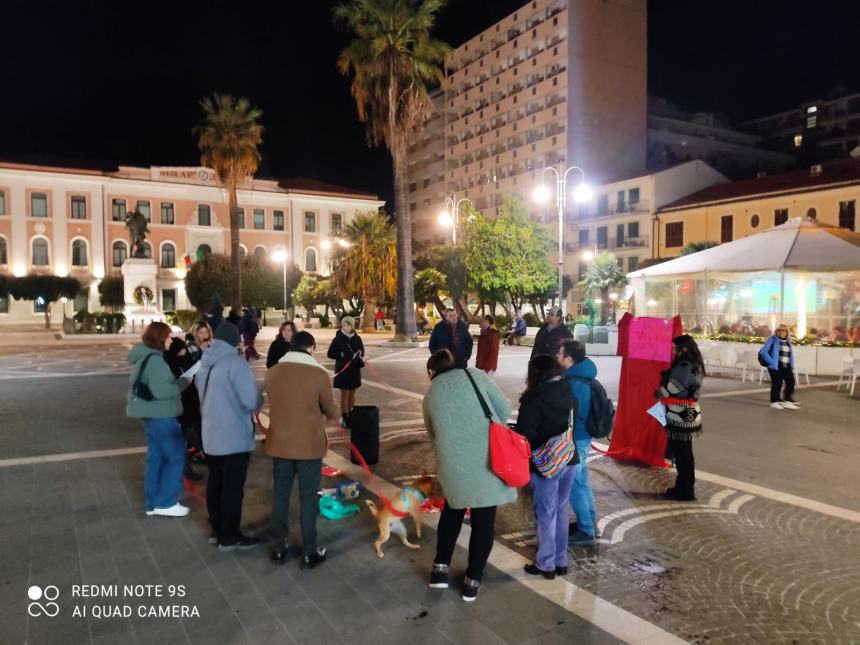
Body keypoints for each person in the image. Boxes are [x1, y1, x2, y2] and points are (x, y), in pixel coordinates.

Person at [423, 349, 516, 602]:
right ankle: (472, 581)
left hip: (454, 465)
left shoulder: (431, 394)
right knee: (484, 522)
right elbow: (505, 410)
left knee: (451, 514)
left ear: (432, 372)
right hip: (487, 460)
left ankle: (439, 571)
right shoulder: (475, 376)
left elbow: (432, 433)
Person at [265, 331, 340, 569]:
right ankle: (309, 551)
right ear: (311, 348)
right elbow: (332, 411)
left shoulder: (273, 372)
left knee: (280, 495)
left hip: (279, 443)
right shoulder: (318, 373)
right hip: (308, 446)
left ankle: (278, 548)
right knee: (308, 499)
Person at [196, 322, 263, 551]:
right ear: (236, 340)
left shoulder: (205, 362)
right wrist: (260, 396)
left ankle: (217, 530)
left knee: (215, 484)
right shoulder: (236, 364)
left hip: (210, 435)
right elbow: (250, 401)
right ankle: (230, 536)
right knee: (233, 489)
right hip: (233, 436)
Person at [515, 355, 577, 579]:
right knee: (561, 510)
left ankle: (545, 564)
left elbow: (524, 435)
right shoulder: (568, 390)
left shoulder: (535, 398)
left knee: (546, 514)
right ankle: (561, 561)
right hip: (569, 457)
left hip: (547, 465)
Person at [126, 322, 190, 518]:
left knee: (156, 458)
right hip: (161, 415)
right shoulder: (155, 361)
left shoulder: (145, 356)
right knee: (176, 456)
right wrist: (183, 382)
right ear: (161, 338)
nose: (171, 340)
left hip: (151, 415)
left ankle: (152, 502)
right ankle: (166, 502)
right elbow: (163, 390)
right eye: (169, 336)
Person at [557, 339, 599, 546]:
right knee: (581, 481)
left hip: (575, 438)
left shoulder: (576, 383)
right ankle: (589, 523)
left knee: (575, 484)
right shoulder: (582, 376)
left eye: (560, 354)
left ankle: (586, 530)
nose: (557, 357)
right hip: (581, 437)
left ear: (570, 359)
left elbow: (572, 415)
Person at [655, 335, 705, 501]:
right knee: (685, 454)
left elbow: (674, 386)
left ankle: (685, 490)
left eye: (675, 348)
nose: (673, 351)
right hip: (689, 413)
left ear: (684, 348)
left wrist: (660, 392)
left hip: (679, 415)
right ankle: (685, 487)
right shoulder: (696, 363)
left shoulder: (685, 364)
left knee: (682, 454)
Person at [163, 336, 204, 481]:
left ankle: (189, 462)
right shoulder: (168, 364)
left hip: (191, 406)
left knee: (193, 437)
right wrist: (185, 382)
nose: (183, 352)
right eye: (180, 350)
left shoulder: (187, 360)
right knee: (183, 440)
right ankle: (183, 469)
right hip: (179, 409)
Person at [327, 316, 365, 428]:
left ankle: (352, 416)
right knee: (344, 395)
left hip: (354, 370)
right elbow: (330, 353)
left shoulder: (357, 338)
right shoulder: (338, 338)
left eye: (348, 325)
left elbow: (362, 350)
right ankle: (345, 418)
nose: (345, 327)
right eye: (344, 325)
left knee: (352, 395)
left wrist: (360, 353)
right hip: (343, 370)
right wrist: (341, 355)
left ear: (352, 326)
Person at [759, 324, 800, 410]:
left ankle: (787, 400)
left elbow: (790, 354)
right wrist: (771, 363)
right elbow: (763, 352)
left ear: (787, 332)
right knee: (777, 383)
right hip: (775, 366)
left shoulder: (788, 341)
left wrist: (791, 364)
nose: (781, 332)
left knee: (791, 382)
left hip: (786, 365)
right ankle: (774, 401)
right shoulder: (772, 339)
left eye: (783, 330)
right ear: (776, 331)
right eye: (779, 330)